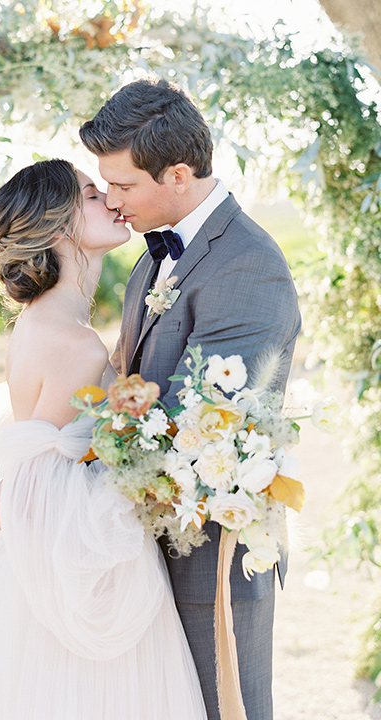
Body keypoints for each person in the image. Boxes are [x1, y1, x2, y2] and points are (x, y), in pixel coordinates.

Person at [0, 159, 207, 720]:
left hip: (29, 552)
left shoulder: (46, 322)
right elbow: (51, 472)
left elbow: (37, 453)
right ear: (59, 223)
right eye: (93, 194)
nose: (111, 200)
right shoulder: (72, 341)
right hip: (66, 561)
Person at [79, 77, 302, 720]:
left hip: (212, 557)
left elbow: (195, 425)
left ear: (178, 174)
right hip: (151, 547)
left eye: (123, 186)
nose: (113, 202)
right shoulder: (153, 258)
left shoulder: (247, 265)